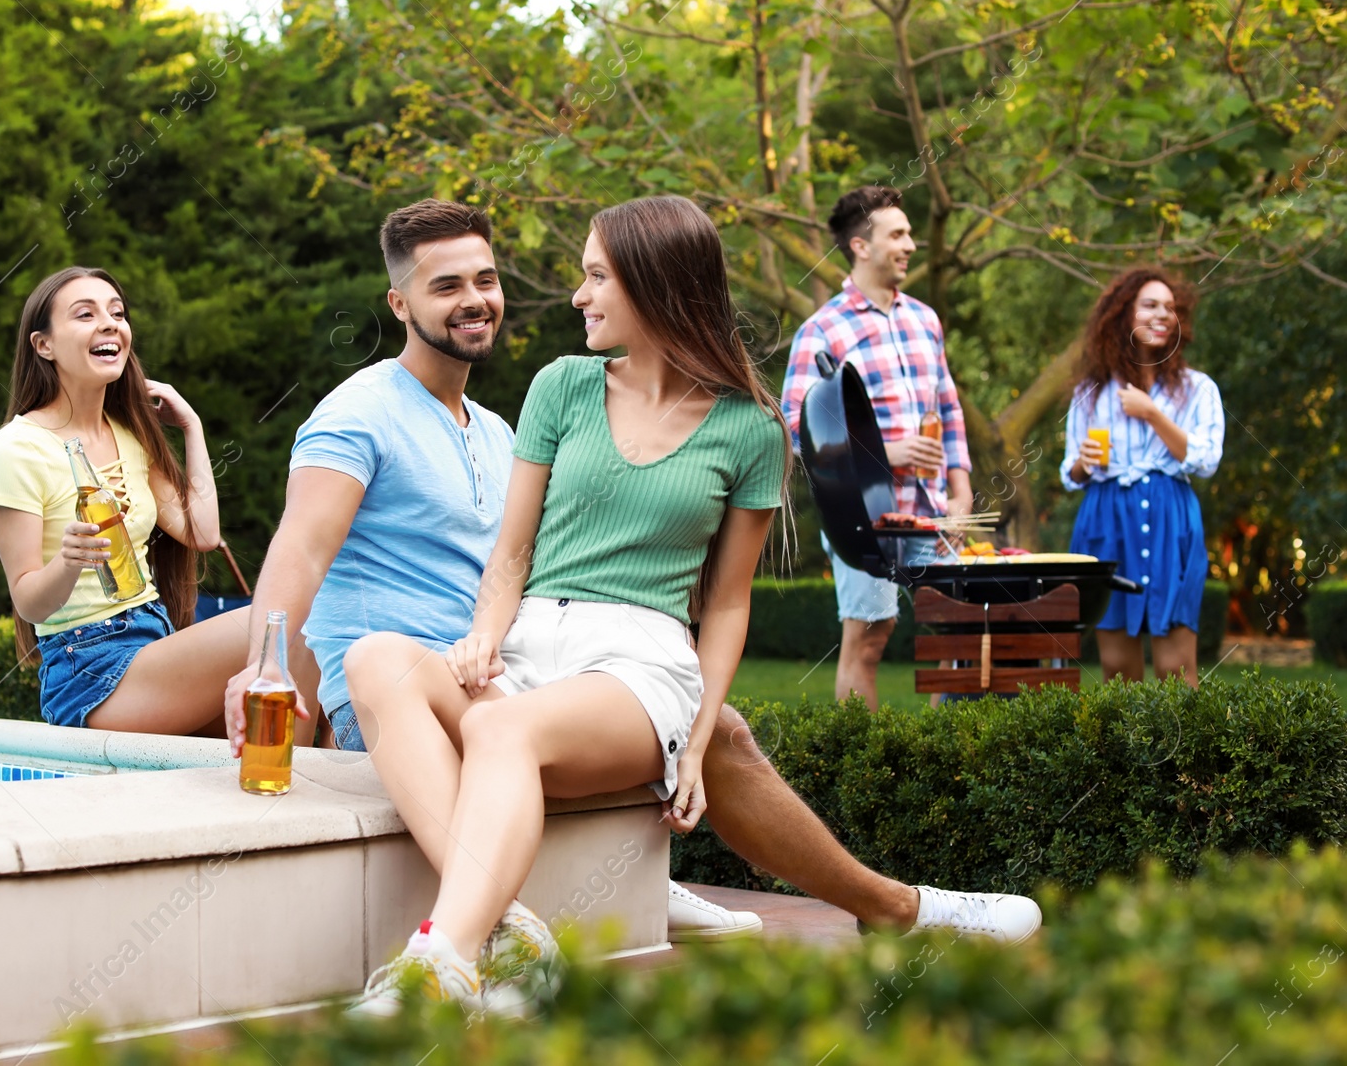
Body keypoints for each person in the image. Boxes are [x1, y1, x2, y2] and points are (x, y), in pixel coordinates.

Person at [224, 198, 1040, 1014]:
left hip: (639, 657)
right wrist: (482, 636)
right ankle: (516, 925)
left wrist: (691, 737)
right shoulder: (559, 388)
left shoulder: (751, 430)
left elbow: (724, 606)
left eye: (594, 276)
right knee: (375, 658)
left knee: (542, 729)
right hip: (529, 642)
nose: (577, 297)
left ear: (654, 286)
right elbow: (510, 554)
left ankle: (442, 962)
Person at [0, 267, 311, 734]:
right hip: (89, 673)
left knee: (293, 657)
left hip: (154, 646)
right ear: (43, 345)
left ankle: (291, 786)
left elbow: (203, 533)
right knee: (295, 622)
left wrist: (192, 428)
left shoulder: (129, 437)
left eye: (117, 312)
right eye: (85, 314)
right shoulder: (15, 449)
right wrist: (69, 561)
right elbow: (30, 603)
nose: (110, 323)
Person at [780, 185, 973, 710]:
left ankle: (952, 762)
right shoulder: (822, 330)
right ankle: (860, 772)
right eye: (898, 234)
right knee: (869, 639)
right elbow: (801, 436)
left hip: (931, 513)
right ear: (862, 246)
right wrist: (886, 455)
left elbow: (948, 408)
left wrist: (962, 491)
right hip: (863, 517)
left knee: (959, 635)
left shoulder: (925, 320)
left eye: (910, 232)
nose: (910, 243)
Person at [1062, 270, 1224, 685]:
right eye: (1150, 305)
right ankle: (1127, 752)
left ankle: (1184, 750)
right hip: (1106, 518)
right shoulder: (1091, 391)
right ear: (1122, 316)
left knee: (1176, 667)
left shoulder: (1198, 389)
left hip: (1171, 519)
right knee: (1117, 669)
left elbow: (1205, 461)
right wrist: (1084, 462)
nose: (1162, 314)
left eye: (1169, 307)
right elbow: (1072, 474)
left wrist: (1152, 413)